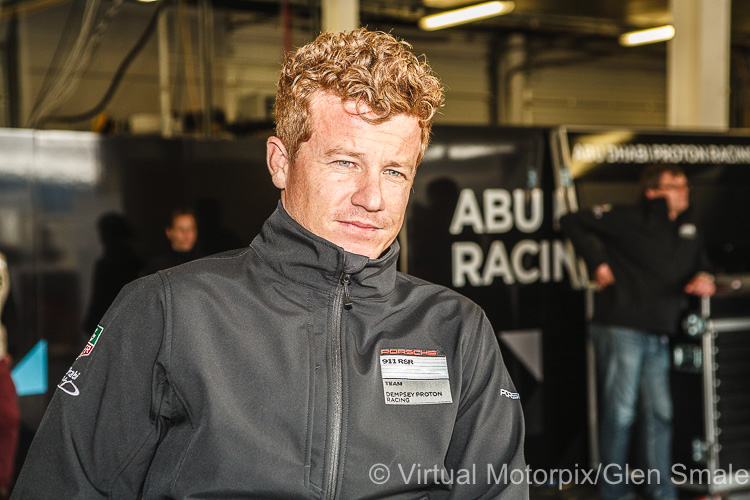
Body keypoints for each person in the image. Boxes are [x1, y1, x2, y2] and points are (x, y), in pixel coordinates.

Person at [12, 29, 526, 499]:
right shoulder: (169, 310)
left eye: (394, 171)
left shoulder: (456, 328)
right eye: (345, 162)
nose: (372, 198)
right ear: (280, 162)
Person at [560, 164, 716, 500]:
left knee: (660, 413)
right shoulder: (630, 217)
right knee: (621, 413)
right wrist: (598, 264)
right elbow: (571, 220)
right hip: (622, 327)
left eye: (685, 184)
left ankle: (661, 491)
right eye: (674, 185)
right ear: (652, 192)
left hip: (660, 331)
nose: (684, 190)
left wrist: (705, 276)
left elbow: (701, 263)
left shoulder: (689, 226)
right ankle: (613, 493)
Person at [82, 212, 143, 334]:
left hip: (112, 324)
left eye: (103, 233)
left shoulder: (110, 264)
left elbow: (101, 298)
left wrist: (91, 324)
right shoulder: (133, 261)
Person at [142, 208, 200, 274]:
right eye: (181, 229)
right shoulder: (157, 265)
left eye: (191, 228)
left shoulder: (204, 261)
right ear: (169, 232)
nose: (186, 234)